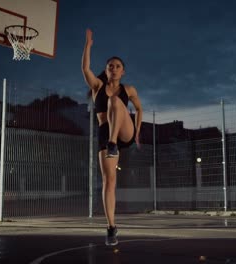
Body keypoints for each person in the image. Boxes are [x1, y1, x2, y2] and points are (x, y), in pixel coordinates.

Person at [81, 29, 142, 246]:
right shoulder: (97, 87)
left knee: (115, 102)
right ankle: (111, 227)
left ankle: (114, 142)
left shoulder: (128, 89)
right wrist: (88, 45)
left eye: (117, 66)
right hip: (105, 133)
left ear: (123, 71)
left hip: (124, 132)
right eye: (110, 66)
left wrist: (138, 131)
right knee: (109, 182)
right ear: (106, 71)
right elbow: (85, 68)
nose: (113, 68)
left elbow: (139, 109)